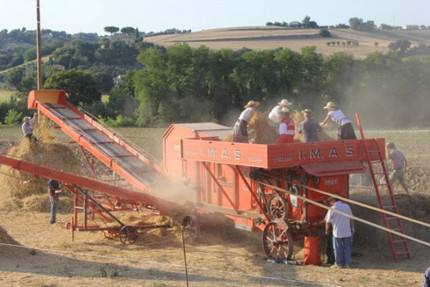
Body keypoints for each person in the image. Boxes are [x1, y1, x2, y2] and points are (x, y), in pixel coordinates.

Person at [325, 197, 354, 268]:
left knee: (337, 248)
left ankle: (339, 264)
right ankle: (348, 264)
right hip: (347, 231)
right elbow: (351, 219)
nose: (331, 204)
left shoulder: (332, 208)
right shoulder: (347, 206)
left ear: (334, 201)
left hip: (337, 232)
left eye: (331, 202)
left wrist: (327, 230)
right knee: (347, 248)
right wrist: (352, 228)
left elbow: (327, 221)